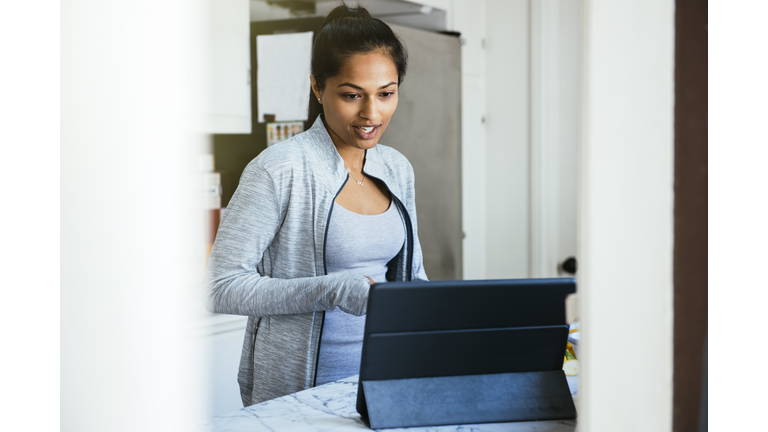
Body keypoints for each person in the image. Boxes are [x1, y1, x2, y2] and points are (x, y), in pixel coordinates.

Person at [205, 2, 428, 407]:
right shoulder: (279, 168)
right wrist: (332, 290)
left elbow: (412, 278)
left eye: (386, 94)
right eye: (351, 95)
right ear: (317, 88)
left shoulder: (397, 168)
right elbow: (221, 288)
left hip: (383, 383)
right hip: (294, 394)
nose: (371, 113)